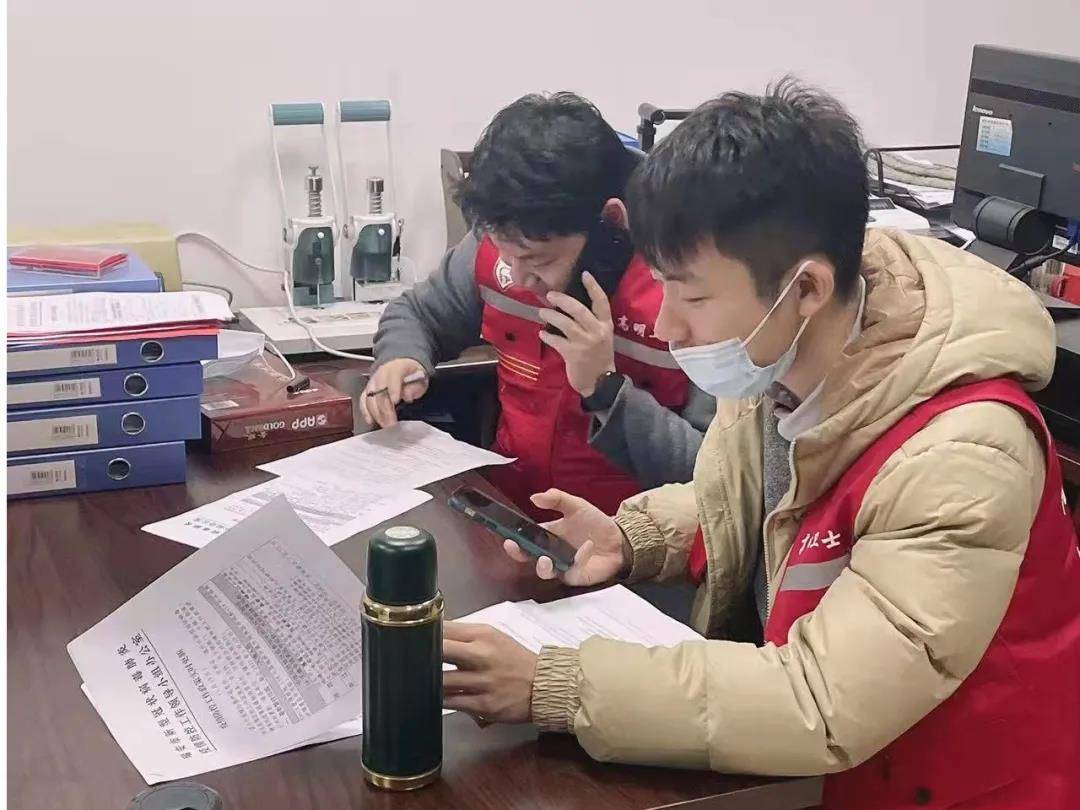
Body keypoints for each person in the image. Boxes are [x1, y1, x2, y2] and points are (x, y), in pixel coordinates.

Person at [441, 80, 1080, 809]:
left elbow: (823, 699)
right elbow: (775, 498)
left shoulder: (963, 455)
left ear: (806, 289)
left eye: (693, 296)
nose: (670, 328)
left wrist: (557, 686)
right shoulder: (784, 347)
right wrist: (633, 536)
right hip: (818, 777)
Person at [363, 92, 714, 519]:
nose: (519, 278)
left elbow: (714, 473)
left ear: (612, 222)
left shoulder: (689, 286)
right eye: (506, 254)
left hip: (630, 539)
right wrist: (401, 357)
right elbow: (418, 314)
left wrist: (605, 389)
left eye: (539, 262)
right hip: (509, 517)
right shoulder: (510, 237)